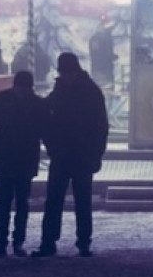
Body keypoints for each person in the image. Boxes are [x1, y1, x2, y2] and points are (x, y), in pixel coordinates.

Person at [32, 53, 108, 258]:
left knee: (58, 199)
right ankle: (81, 241)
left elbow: (48, 118)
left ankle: (51, 241)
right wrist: (96, 154)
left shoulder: (63, 91)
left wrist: (51, 145)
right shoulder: (90, 91)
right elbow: (100, 127)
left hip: (67, 153)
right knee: (78, 199)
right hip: (76, 154)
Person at [0, 70, 48, 257]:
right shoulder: (37, 103)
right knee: (20, 202)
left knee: (6, 202)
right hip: (24, 157)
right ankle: (15, 242)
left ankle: (2, 243)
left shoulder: (2, 99)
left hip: (7, 156)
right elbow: (45, 130)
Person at [88, 16, 117, 87]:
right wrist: (112, 57)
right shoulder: (106, 36)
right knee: (107, 91)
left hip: (96, 69)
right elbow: (106, 53)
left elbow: (95, 53)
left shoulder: (94, 38)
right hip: (105, 70)